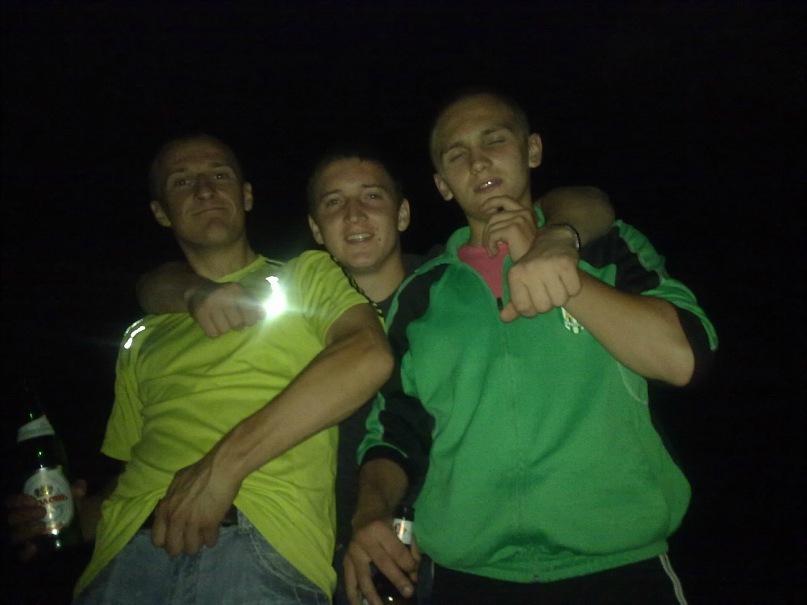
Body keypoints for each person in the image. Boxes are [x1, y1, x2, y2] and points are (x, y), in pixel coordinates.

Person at [129, 144, 615, 605]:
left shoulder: (452, 287)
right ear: (316, 229)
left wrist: (559, 234)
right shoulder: (294, 313)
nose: (354, 214)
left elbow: (588, 202)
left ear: (402, 214)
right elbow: (162, 286)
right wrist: (185, 288)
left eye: (372, 197)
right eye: (334, 202)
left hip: (476, 553)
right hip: (345, 556)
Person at [343, 89, 718, 605]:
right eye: (457, 154)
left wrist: (564, 268)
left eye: (494, 140)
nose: (478, 162)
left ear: (532, 150)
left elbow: (683, 358)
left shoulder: (605, 246)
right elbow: (394, 434)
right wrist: (368, 513)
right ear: (442, 184)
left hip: (619, 567)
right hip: (465, 576)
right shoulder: (421, 295)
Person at [60, 133, 392, 604]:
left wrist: (222, 468)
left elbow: (368, 354)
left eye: (219, 175)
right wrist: (75, 519)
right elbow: (134, 467)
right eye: (182, 182)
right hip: (121, 562)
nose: (204, 190)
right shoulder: (141, 334)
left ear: (246, 195)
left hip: (260, 545)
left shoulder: (303, 275)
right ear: (160, 211)